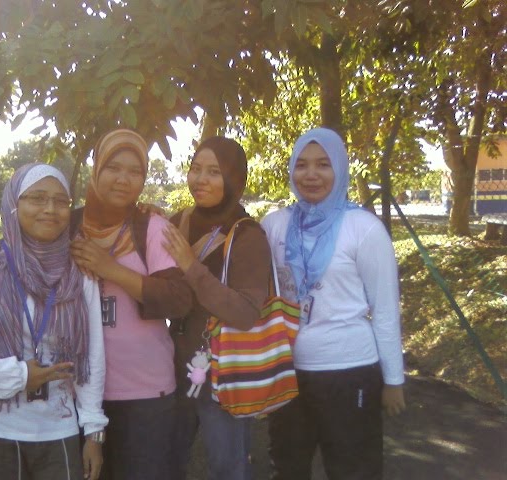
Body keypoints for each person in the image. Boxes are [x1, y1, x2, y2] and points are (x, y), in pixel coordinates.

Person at [0, 163, 107, 479]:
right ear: (14, 203)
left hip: (61, 432)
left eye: (60, 201)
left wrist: (93, 432)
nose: (49, 208)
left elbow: (91, 357)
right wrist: (17, 376)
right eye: (37, 198)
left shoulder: (80, 272)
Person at [261, 127, 406, 480]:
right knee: (288, 468)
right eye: (302, 165)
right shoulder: (274, 225)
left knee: (353, 471)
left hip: (350, 370)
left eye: (323, 164)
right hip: (287, 373)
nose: (311, 174)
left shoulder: (363, 228)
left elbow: (385, 309)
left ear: (339, 169)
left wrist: (393, 379)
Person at [69, 129, 192, 480]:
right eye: (113, 167)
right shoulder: (68, 227)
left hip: (146, 395)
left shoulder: (151, 228)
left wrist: (111, 269)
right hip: (77, 392)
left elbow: (179, 299)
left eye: (135, 171)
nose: (123, 179)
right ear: (96, 169)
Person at [162, 136, 272, 480]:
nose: (200, 179)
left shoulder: (247, 235)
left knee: (228, 466)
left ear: (233, 179)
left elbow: (245, 312)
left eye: (214, 171)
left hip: (223, 371)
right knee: (167, 459)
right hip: (174, 365)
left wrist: (191, 266)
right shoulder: (179, 221)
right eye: (196, 169)